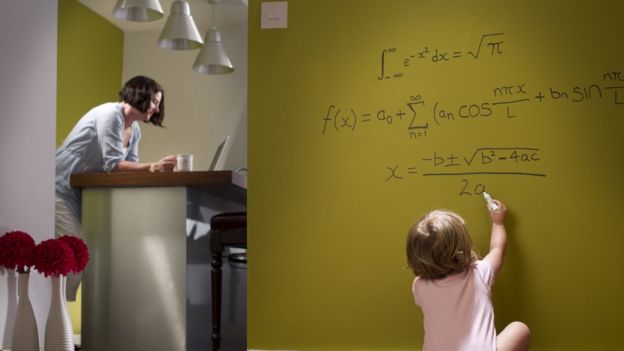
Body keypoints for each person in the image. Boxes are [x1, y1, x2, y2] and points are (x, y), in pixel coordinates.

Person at [55, 75, 177, 300]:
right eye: (154, 101)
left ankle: (57, 317)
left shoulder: (135, 129)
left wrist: (153, 171)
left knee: (79, 254)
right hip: (60, 186)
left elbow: (127, 170)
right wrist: (154, 167)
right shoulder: (111, 114)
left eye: (159, 104)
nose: (157, 108)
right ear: (140, 95)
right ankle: (55, 316)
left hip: (80, 193)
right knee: (73, 254)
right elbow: (114, 166)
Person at [406, 198, 531, 351]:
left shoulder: (419, 286)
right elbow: (498, 249)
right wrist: (498, 222)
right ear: (462, 247)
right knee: (519, 329)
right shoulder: (480, 273)